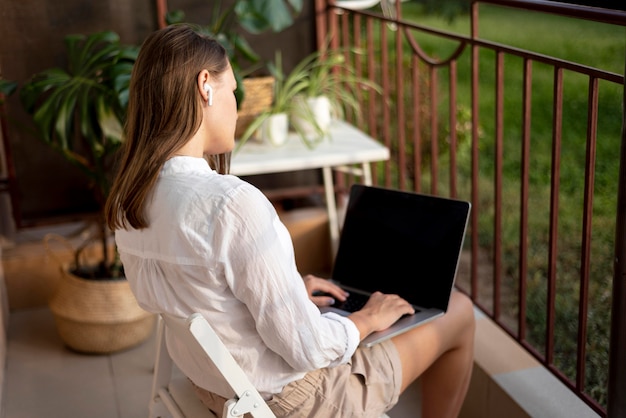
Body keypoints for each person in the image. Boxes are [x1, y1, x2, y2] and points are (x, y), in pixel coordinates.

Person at [104, 24, 475, 418]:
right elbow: (308, 349)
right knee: (460, 311)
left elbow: (199, 293)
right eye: (233, 91)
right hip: (296, 402)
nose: (237, 105)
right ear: (205, 86)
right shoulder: (231, 204)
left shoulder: (132, 198)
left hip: (218, 390)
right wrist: (365, 319)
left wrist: (290, 292)